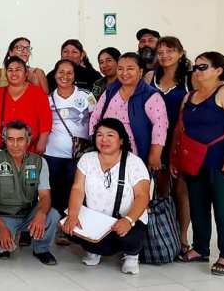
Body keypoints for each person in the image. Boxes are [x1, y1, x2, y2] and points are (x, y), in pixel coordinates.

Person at [172, 52, 224, 276]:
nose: (197, 71)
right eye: (195, 67)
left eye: (203, 67)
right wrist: (176, 159)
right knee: (198, 205)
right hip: (194, 161)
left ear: (218, 70)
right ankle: (201, 248)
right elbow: (180, 131)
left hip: (221, 162)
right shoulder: (189, 97)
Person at [63, 118, 151, 275]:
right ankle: (94, 250)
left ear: (121, 140)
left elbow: (143, 196)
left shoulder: (134, 163)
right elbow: (77, 189)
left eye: (110, 135)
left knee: (129, 237)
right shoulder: (87, 159)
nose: (104, 140)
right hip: (97, 219)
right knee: (70, 228)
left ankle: (131, 256)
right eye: (99, 135)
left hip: (125, 219)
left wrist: (128, 220)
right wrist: (73, 215)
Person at [0, 120, 61, 264]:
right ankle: (11, 233)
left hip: (29, 213)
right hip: (3, 215)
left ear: (28, 140)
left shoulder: (39, 162)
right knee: (2, 248)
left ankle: (41, 249)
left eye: (20, 139)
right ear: (5, 140)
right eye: (10, 139)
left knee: (52, 215)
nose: (15, 145)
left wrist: (40, 214)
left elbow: (45, 195)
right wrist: (1, 228)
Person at [144, 36, 193, 253]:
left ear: (181, 53)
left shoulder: (190, 79)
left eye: (170, 51)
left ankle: (182, 238)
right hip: (155, 141)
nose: (164, 55)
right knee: (159, 190)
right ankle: (163, 235)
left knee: (182, 190)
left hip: (181, 141)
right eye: (160, 51)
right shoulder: (149, 76)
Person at [89, 52, 168, 171]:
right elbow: (95, 116)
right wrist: (95, 140)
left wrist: (155, 155)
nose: (124, 73)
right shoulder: (110, 91)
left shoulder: (150, 95)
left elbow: (160, 126)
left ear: (140, 72)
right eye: (120, 69)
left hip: (135, 153)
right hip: (106, 150)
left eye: (130, 69)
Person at [45, 61, 95, 221]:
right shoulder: (48, 99)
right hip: (53, 154)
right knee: (55, 189)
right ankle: (58, 223)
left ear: (74, 76)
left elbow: (96, 119)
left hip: (80, 155)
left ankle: (73, 221)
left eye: (69, 73)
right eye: (61, 72)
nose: (64, 76)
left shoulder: (87, 95)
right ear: (55, 74)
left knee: (76, 189)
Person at [0, 56, 52, 154]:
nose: (14, 73)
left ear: (26, 73)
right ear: (6, 74)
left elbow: (46, 121)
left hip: (30, 150)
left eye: (18, 70)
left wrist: (42, 141)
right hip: (1, 150)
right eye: (10, 70)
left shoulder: (38, 93)